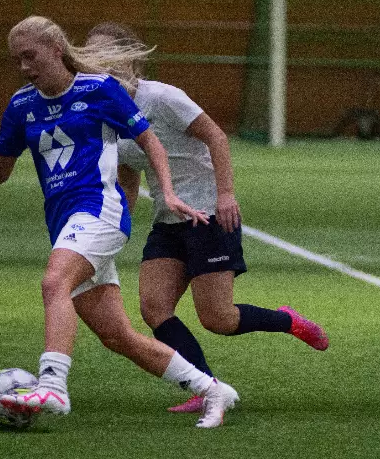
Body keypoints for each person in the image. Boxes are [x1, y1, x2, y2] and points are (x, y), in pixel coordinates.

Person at [0, 15, 239, 428]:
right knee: (117, 336)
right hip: (64, 222)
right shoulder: (22, 105)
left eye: (30, 56)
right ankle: (211, 388)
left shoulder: (99, 89)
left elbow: (151, 142)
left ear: (56, 49)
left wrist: (167, 193)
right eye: (16, 59)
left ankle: (52, 385)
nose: (23, 67)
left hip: (100, 211)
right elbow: (0, 174)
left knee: (54, 283)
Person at [85, 22, 329, 414]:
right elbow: (128, 173)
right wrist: (115, 224)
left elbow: (216, 136)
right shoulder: (105, 113)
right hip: (167, 221)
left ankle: (287, 321)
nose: (97, 63)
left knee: (218, 318)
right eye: (90, 55)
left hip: (208, 215)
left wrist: (226, 194)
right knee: (154, 308)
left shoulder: (162, 97)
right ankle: (207, 388)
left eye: (105, 55)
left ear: (130, 59)